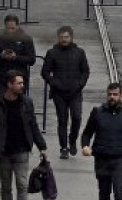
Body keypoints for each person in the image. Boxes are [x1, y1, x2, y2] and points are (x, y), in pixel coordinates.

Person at [0, 70, 48, 200]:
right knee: (6, 187)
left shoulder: (27, 102)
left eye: (23, 83)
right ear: (10, 85)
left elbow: (33, 126)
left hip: (22, 150)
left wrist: (42, 147)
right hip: (3, 150)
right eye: (19, 83)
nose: (23, 85)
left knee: (22, 185)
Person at [81, 82, 122, 200]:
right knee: (104, 193)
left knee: (119, 193)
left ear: (121, 96)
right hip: (102, 159)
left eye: (115, 94)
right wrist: (85, 145)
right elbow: (87, 133)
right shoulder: (98, 112)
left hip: (120, 160)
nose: (112, 97)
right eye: (110, 94)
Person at [40, 26, 90, 160]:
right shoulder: (52, 53)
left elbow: (85, 71)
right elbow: (44, 72)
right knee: (62, 120)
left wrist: (80, 84)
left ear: (71, 37)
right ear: (58, 38)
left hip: (75, 92)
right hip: (59, 93)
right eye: (61, 37)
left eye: (66, 37)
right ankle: (63, 147)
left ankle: (72, 139)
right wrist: (53, 82)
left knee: (77, 117)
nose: (64, 40)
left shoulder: (79, 52)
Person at [0, 14, 37, 96]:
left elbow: (32, 60)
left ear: (18, 26)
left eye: (12, 28)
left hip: (20, 78)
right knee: (3, 103)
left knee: (19, 104)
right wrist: (1, 56)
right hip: (3, 78)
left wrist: (16, 57)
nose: (10, 31)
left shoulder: (26, 39)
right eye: (8, 28)